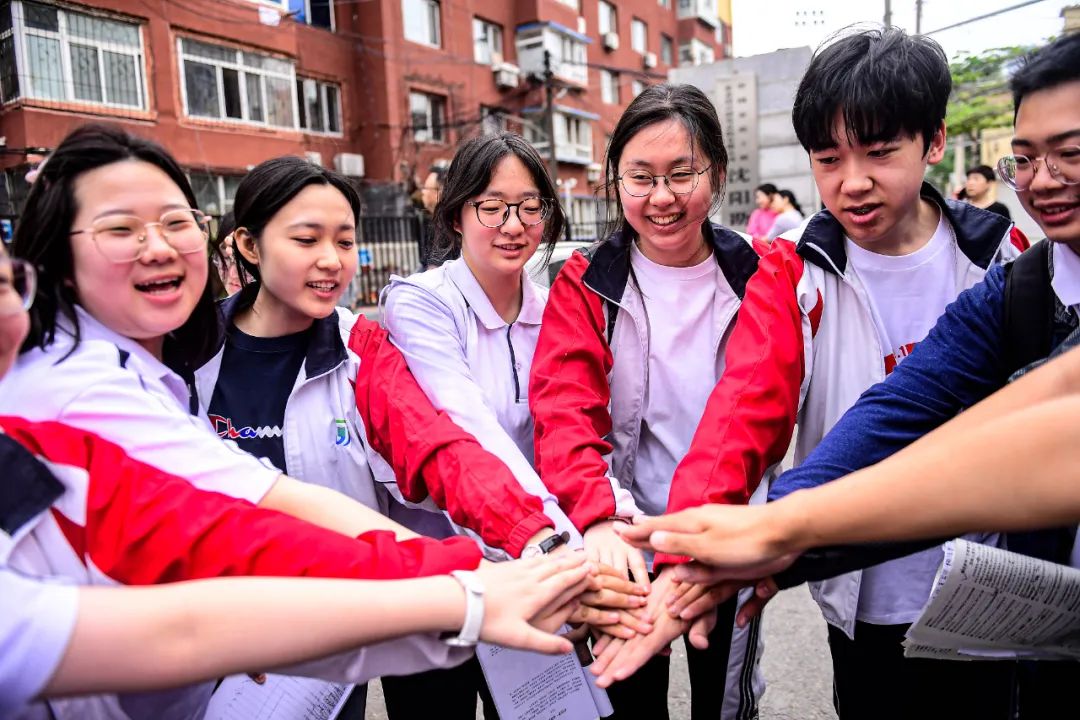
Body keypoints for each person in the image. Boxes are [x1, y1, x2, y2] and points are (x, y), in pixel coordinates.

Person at [631, 31, 1077, 720]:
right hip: (858, 586)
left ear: (934, 141)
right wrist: (728, 539)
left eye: (879, 151)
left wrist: (779, 533)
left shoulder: (1006, 257)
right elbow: (758, 412)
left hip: (991, 590)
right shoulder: (792, 270)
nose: (853, 181)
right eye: (829, 158)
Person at [0, 241, 592, 718]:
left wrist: (498, 564)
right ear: (249, 245)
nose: (330, 259)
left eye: (7, 285)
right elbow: (181, 626)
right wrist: (469, 592)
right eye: (306, 238)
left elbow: (249, 523)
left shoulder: (355, 344)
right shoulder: (158, 367)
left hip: (344, 623)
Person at [381, 133, 648, 717]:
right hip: (444, 574)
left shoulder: (555, 308)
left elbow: (573, 431)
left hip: (538, 570)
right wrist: (566, 549)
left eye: (530, 207)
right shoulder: (421, 303)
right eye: (492, 206)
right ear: (456, 213)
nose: (513, 225)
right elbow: (468, 427)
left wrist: (606, 523)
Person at [530, 83, 764, 720]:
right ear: (616, 181)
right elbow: (563, 411)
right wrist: (600, 517)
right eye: (640, 177)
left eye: (682, 174)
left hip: (724, 535)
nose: (662, 197)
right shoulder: (586, 282)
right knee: (630, 700)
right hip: (625, 539)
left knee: (726, 700)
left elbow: (760, 410)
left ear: (716, 173)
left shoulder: (760, 275)